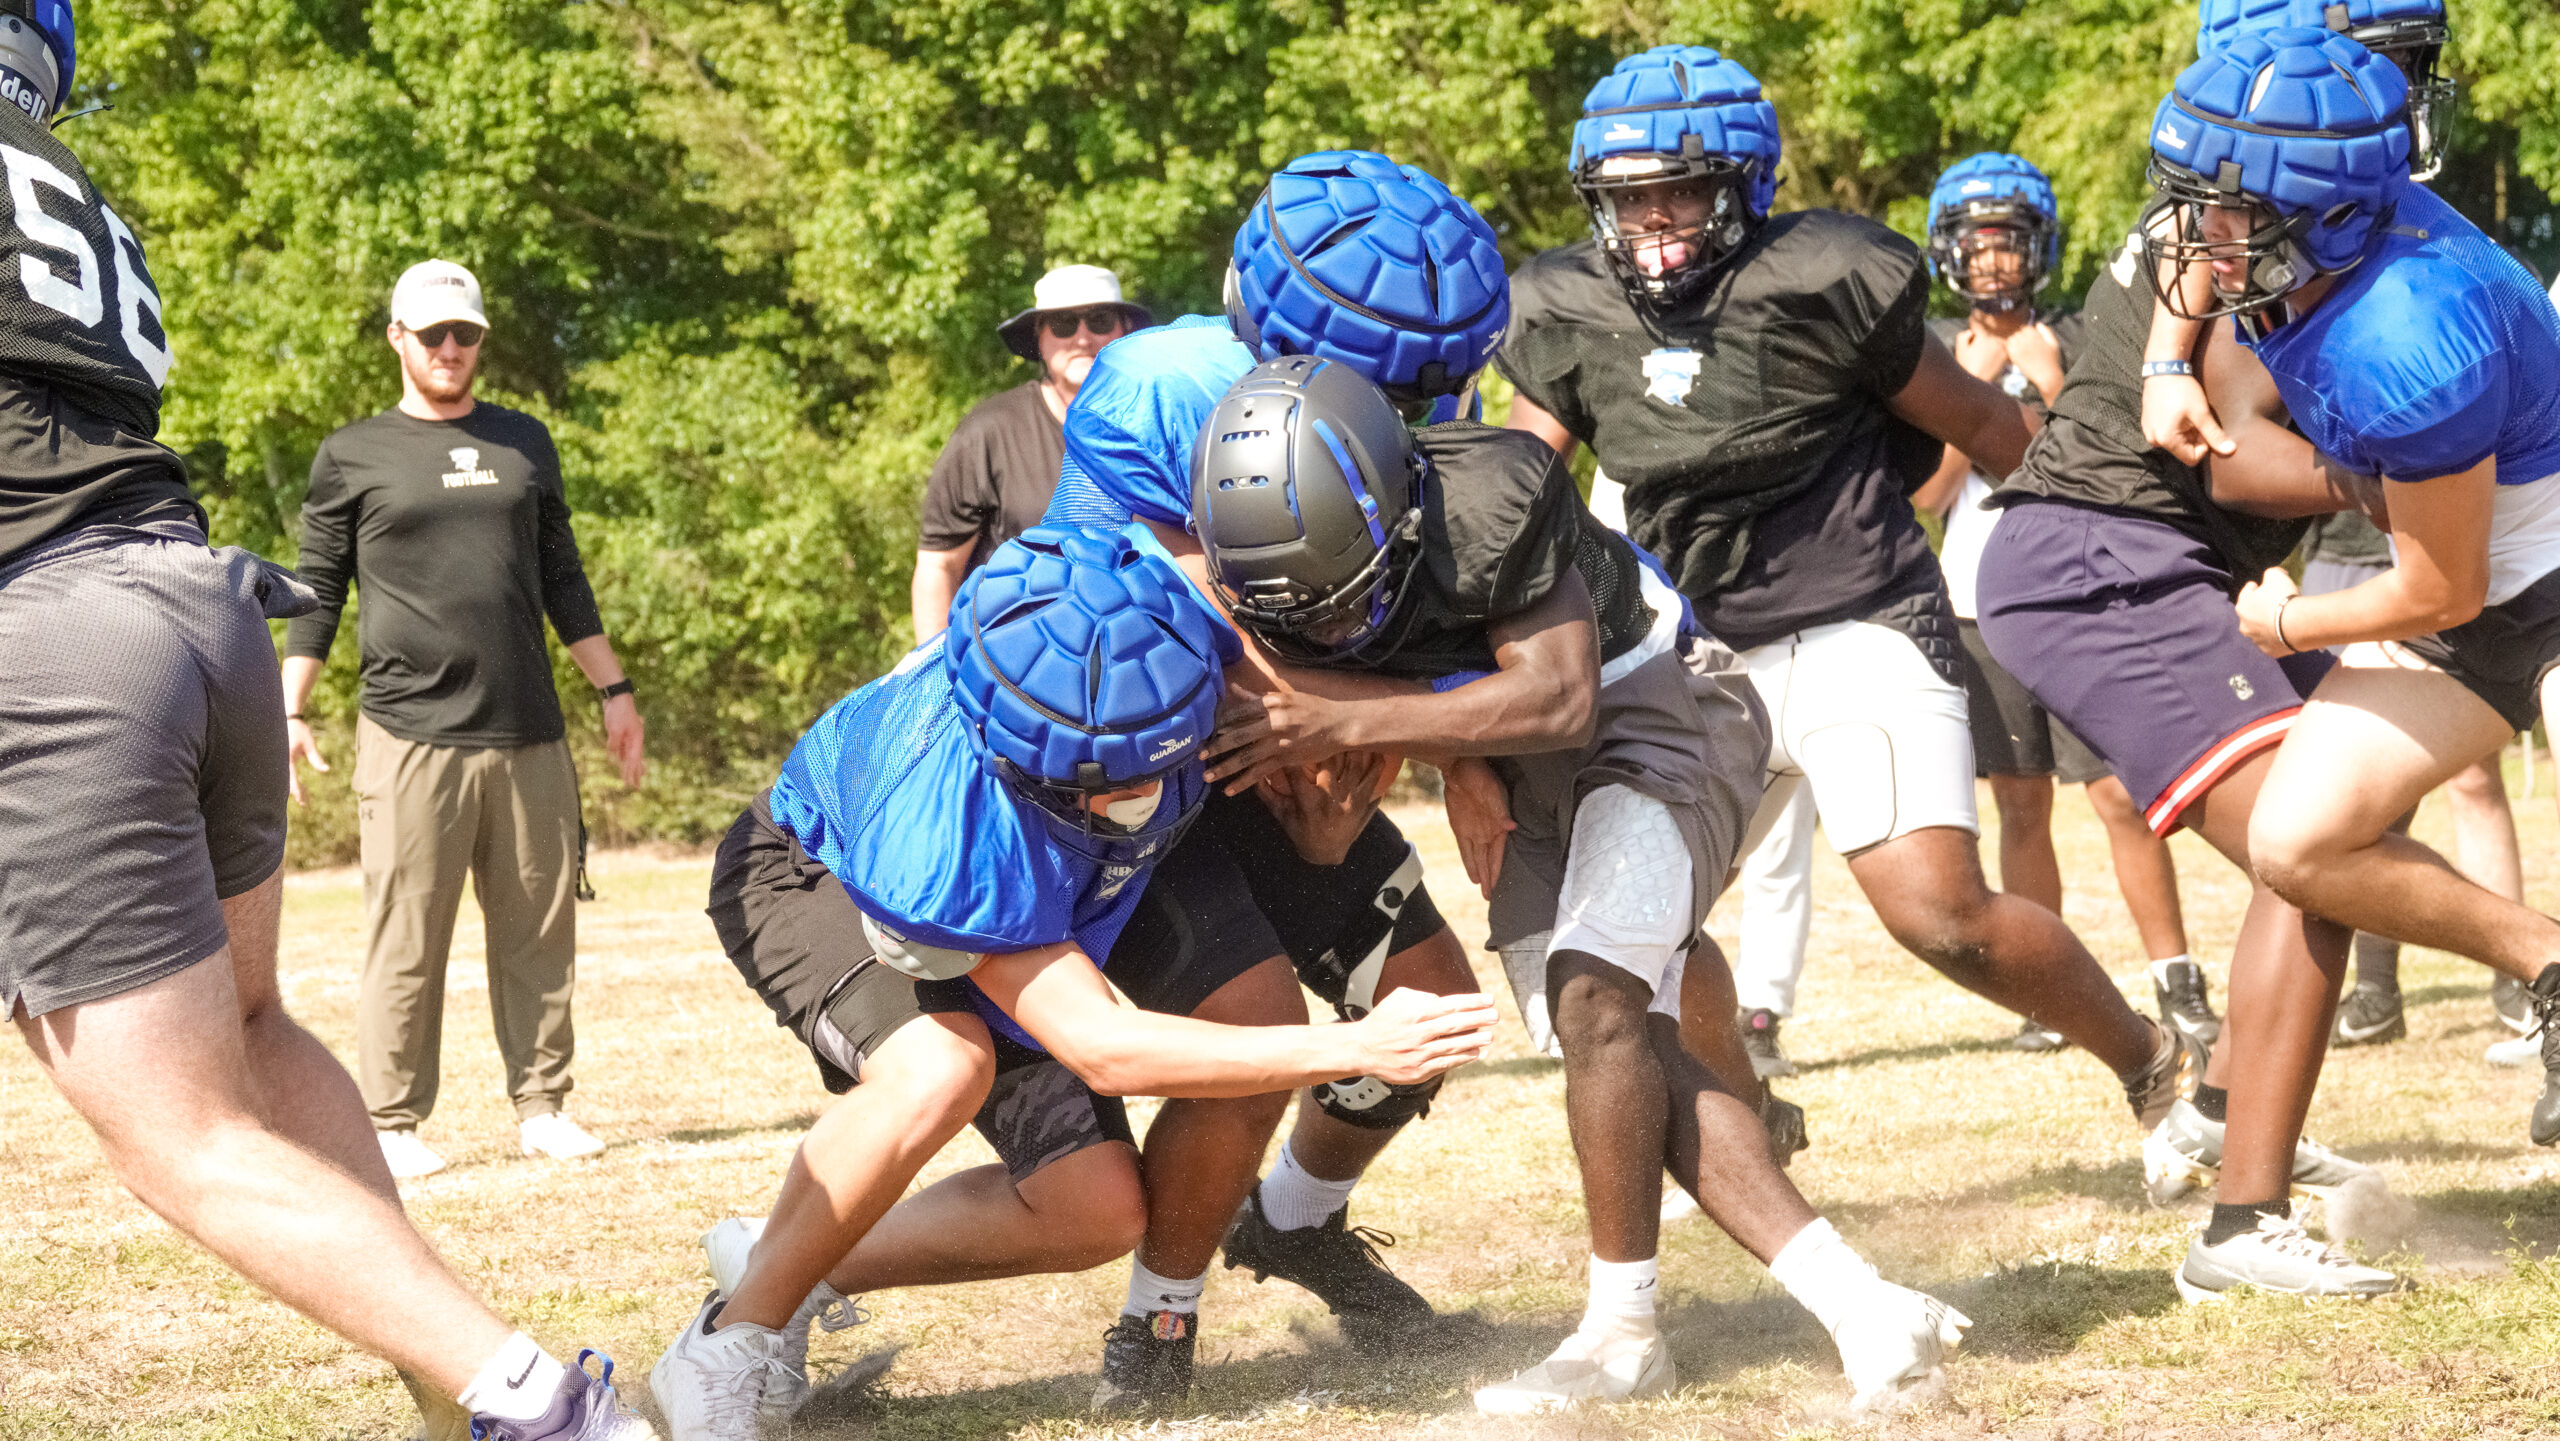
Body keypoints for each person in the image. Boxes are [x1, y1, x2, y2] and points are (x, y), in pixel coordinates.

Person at [0, 13, 654, 1438]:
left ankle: (551, 1411)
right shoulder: (62, 184)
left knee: (179, 1132)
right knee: (252, 1025)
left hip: (56, 632)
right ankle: (449, 1390)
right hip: (197, 601)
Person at [1192, 358, 1969, 1415]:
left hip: (1651, 708)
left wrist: (1353, 718)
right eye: (1300, 616)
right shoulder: (1240, 568)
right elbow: (1323, 766)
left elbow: (1556, 699)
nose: (1329, 630)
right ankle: (1792, 1304)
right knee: (1617, 1043)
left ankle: (1645, 1329)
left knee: (1598, 993)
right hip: (1513, 776)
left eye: (1345, 598)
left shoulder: (1491, 492)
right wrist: (1453, 759)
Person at [1498, 47, 2205, 1149]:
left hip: (1857, 617)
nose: (1656, 222)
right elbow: (1512, 495)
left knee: (1941, 915)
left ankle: (2151, 1060)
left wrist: (2126, 550)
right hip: (1690, 652)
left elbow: (1989, 430)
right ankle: (1755, 1115)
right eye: (1630, 199)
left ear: (1746, 187)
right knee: (1637, 939)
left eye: (1681, 189)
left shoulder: (1819, 279)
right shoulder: (1570, 309)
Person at [648, 528, 1496, 1439]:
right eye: (1108, 770)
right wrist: (1356, 1045)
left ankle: (792, 1257)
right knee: (942, 1066)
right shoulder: (948, 838)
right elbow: (1105, 1047)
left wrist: (1464, 761)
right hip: (825, 872)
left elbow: (1317, 651)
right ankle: (724, 1342)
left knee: (1108, 1194)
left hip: (1062, 880)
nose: (1142, 787)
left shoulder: (1157, 618)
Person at [1034, 151, 1533, 1406]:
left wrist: (1454, 751)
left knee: (1428, 1014)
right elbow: (1240, 635)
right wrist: (1376, 734)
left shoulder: (1394, 402)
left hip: (1296, 745)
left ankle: (1294, 1222)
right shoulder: (1158, 387)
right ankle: (1158, 1322)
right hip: (1162, 760)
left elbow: (1413, 604)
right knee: (1255, 1025)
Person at [2143, 27, 2560, 1287]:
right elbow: (2207, 241)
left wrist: (2282, 624)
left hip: (2521, 577)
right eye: (2200, 199)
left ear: (2327, 222)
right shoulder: (2300, 214)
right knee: (2298, 841)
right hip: (2465, 583)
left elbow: (2444, 580)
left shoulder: (2404, 331)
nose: (2200, 239)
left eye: (2234, 214)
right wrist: (2168, 359)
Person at [284, 259, 648, 1179]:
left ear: (481, 340)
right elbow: (319, 591)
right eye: (433, 334)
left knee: (539, 927)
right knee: (406, 932)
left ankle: (544, 1106)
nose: (451, 349)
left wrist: (614, 689)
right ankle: (393, 1120)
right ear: (398, 338)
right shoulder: (353, 452)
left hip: (527, 725)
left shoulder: (524, 442)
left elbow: (563, 576)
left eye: (466, 335)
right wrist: (289, 707)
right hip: (408, 731)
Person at [1920, 152, 2211, 1054]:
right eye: (1978, 246)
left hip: (2076, 593)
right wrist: (1967, 399)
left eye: (2009, 245)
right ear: (1950, 253)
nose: (1994, 262)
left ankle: (2178, 978)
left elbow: (2100, 459)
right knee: (2020, 805)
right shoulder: (1932, 351)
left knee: (2123, 796)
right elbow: (1928, 495)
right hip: (1977, 602)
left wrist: (2047, 381)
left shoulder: (2084, 336)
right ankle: (2045, 993)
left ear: (2036, 251)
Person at [2295, 510, 2534, 1050]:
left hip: (2440, 551)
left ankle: (2521, 983)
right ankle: (2376, 993)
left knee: (2476, 780)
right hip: (2341, 566)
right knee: (2363, 801)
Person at [908, 264, 1148, 640]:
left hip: (1137, 654)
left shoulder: (1157, 424)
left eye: (1100, 320)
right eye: (1064, 324)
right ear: (1040, 338)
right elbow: (939, 568)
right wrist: (938, 675)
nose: (1083, 338)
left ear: (1124, 330)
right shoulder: (987, 433)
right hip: (1017, 661)